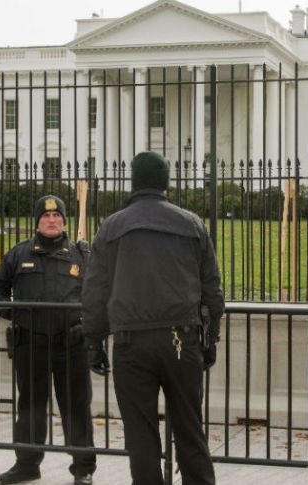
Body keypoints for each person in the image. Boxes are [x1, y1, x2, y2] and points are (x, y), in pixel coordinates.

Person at [82, 151, 224, 485]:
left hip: (131, 342)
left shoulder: (112, 226)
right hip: (181, 339)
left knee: (140, 434)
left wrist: (94, 341)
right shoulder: (191, 224)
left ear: (134, 182)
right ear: (165, 184)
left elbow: (95, 291)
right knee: (190, 427)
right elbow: (212, 288)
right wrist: (210, 336)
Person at [0, 195, 96, 485]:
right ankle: (27, 465)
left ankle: (83, 468)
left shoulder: (80, 255)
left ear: (64, 220)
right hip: (31, 343)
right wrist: (18, 314)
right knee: (30, 407)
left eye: (57, 216)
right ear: (37, 221)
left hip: (71, 344)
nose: (52, 221)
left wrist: (85, 322)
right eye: (46, 216)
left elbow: (97, 296)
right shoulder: (19, 253)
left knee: (76, 407)